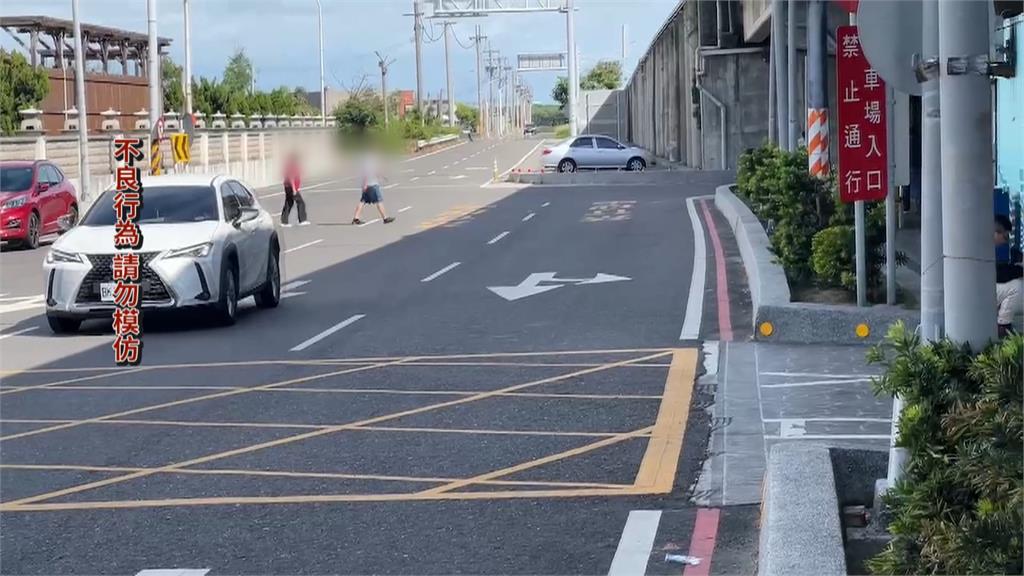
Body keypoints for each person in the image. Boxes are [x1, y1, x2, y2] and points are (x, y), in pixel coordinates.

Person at [994, 214, 1023, 337]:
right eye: (1005, 237)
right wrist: (1020, 270)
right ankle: (1003, 325)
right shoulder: (983, 247)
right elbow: (998, 274)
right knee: (1017, 286)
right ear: (997, 232)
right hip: (976, 293)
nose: (1005, 241)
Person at [352, 150, 394, 225]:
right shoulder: (369, 161)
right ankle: (385, 218)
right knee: (379, 201)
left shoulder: (368, 161)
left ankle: (356, 218)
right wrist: (365, 184)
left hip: (369, 184)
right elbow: (366, 173)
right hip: (371, 184)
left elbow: (374, 171)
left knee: (363, 201)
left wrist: (382, 176)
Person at [281, 153, 308, 227]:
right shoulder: (293, 166)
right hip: (291, 187)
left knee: (289, 203)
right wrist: (294, 189)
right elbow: (291, 178)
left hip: (288, 186)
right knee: (300, 202)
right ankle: (302, 220)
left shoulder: (289, 165)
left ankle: (284, 221)